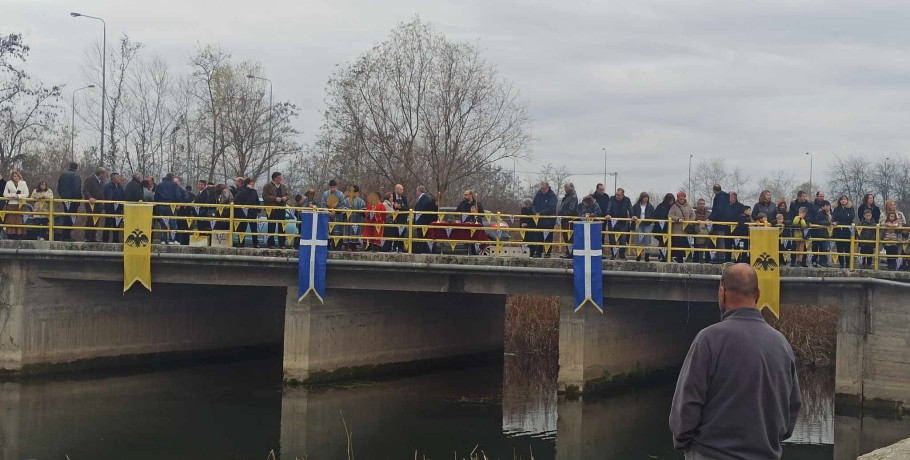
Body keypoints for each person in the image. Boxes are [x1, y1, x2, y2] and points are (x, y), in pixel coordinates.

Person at [670, 264, 801, 460]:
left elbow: (686, 408)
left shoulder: (708, 340)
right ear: (757, 294)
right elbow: (792, 408)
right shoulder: (781, 344)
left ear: (722, 293)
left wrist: (683, 442)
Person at [262, 172, 291, 249]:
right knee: (271, 227)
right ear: (275, 178)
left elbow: (287, 195)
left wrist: (285, 198)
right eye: (279, 178)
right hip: (271, 209)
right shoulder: (267, 186)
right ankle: (271, 244)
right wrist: (275, 199)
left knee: (282, 227)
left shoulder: (283, 186)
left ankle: (282, 244)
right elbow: (265, 197)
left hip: (281, 209)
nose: (281, 179)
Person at [56, 162, 82, 242]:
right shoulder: (76, 176)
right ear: (76, 168)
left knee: (67, 216)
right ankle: (67, 236)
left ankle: (65, 235)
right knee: (71, 217)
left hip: (65, 199)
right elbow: (77, 189)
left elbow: (59, 187)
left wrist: (62, 196)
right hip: (73, 200)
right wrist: (78, 200)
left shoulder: (63, 175)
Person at [154, 173, 183, 245]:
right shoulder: (174, 185)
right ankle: (172, 239)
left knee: (163, 223)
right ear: (172, 178)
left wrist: (158, 204)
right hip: (171, 205)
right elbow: (178, 195)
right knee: (173, 223)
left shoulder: (159, 185)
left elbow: (156, 196)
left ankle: (163, 240)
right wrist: (178, 204)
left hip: (161, 205)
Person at [531, 181, 558, 258]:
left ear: (548, 188)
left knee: (548, 237)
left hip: (549, 220)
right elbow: (534, 204)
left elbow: (551, 207)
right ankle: (538, 252)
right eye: (542, 189)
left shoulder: (552, 196)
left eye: (544, 189)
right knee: (538, 236)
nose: (543, 190)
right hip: (539, 219)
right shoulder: (538, 194)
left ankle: (547, 252)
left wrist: (541, 213)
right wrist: (535, 212)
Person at [382, 184, 410, 253]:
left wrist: (400, 208)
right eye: (401, 189)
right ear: (397, 189)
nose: (402, 191)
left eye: (402, 189)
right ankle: (392, 247)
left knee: (401, 234)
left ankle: (400, 248)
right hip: (393, 220)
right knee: (393, 234)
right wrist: (395, 208)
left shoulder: (404, 197)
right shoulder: (391, 197)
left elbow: (407, 208)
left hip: (402, 219)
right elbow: (390, 208)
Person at [669, 191, 695, 263]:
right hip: (676, 229)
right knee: (677, 245)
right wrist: (678, 219)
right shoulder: (674, 207)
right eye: (680, 199)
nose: (681, 200)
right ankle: (678, 259)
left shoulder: (689, 206)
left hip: (685, 229)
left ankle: (687, 258)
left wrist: (689, 221)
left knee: (685, 245)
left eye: (682, 198)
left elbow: (693, 215)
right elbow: (670, 215)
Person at [880, 199, 907, 270]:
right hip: (886, 235)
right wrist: (886, 224)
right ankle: (889, 266)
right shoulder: (883, 214)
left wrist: (898, 225)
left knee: (896, 251)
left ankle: (894, 266)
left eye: (894, 204)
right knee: (888, 251)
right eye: (891, 205)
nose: (893, 206)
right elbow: (880, 223)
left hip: (897, 235)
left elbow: (904, 223)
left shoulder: (900, 214)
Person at [82, 168, 107, 243]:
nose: (105, 176)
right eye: (105, 174)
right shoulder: (90, 179)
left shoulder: (102, 182)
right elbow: (85, 190)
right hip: (91, 203)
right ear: (101, 174)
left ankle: (93, 236)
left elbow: (102, 192)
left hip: (99, 203)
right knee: (90, 219)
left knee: (96, 219)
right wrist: (90, 197)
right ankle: (87, 237)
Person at [708, 185, 732, 264]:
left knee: (720, 240)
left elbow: (718, 210)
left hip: (719, 221)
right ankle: (719, 256)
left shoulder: (719, 198)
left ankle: (720, 257)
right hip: (724, 221)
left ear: (714, 190)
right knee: (719, 240)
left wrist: (711, 218)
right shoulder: (725, 197)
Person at [234, 178, 260, 248]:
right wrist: (247, 189)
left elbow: (257, 201)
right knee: (242, 229)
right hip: (243, 213)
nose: (253, 184)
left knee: (254, 229)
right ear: (247, 183)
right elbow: (236, 200)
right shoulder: (242, 190)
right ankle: (241, 243)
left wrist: (258, 211)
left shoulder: (254, 191)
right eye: (252, 183)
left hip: (252, 212)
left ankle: (255, 243)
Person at [2, 171, 29, 240]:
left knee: (19, 221)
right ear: (12, 177)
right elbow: (5, 194)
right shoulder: (8, 183)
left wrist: (19, 196)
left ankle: (19, 236)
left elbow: (26, 194)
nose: (16, 177)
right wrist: (12, 196)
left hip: (20, 204)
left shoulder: (23, 183)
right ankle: (11, 236)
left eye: (17, 176)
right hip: (11, 204)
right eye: (14, 176)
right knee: (11, 221)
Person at [831, 195, 856, 269]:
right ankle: (841, 264)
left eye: (845, 199)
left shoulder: (850, 208)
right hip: (838, 231)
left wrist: (839, 221)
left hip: (847, 230)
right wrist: (837, 222)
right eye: (841, 199)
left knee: (848, 248)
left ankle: (848, 264)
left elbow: (850, 217)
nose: (843, 200)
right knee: (839, 248)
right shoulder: (836, 208)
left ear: (847, 200)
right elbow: (834, 217)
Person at [322, 179, 346, 250]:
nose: (333, 189)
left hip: (338, 217)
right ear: (329, 187)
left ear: (336, 187)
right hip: (327, 217)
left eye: (334, 187)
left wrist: (335, 211)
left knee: (337, 234)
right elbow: (323, 205)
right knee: (327, 234)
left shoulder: (340, 195)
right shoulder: (325, 194)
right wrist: (329, 212)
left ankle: (337, 248)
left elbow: (343, 205)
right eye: (331, 187)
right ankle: (327, 248)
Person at [412, 185, 437, 254]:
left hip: (423, 222)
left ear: (419, 191)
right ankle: (423, 250)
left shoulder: (424, 198)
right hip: (422, 221)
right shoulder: (424, 198)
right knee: (422, 237)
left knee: (423, 237)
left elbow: (422, 209)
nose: (416, 192)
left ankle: (424, 251)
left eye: (416, 191)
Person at [101, 173, 125, 243]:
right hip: (110, 208)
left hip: (118, 208)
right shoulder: (108, 186)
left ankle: (115, 239)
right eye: (117, 177)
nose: (119, 178)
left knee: (116, 225)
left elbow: (123, 195)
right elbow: (107, 196)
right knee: (107, 224)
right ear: (113, 178)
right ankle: (105, 239)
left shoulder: (120, 187)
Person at [631, 192, 655, 262]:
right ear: (641, 198)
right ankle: (638, 255)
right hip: (639, 224)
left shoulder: (650, 206)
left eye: (647, 198)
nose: (646, 199)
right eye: (644, 198)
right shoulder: (636, 206)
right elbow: (632, 213)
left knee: (647, 239)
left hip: (647, 224)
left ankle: (647, 256)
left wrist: (650, 220)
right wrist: (634, 216)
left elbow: (653, 215)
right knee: (639, 239)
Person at [557, 183, 578, 258]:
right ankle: (568, 251)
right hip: (565, 220)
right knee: (566, 237)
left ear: (570, 189)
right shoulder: (567, 197)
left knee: (569, 237)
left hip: (568, 220)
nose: (564, 189)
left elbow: (571, 210)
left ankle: (571, 253)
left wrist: (563, 214)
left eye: (566, 188)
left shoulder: (573, 197)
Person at [653, 193, 675, 262]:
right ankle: (662, 256)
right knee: (662, 243)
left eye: (672, 200)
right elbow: (655, 215)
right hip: (661, 228)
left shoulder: (674, 207)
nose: (671, 202)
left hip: (671, 228)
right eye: (670, 200)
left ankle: (669, 256)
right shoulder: (661, 206)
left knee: (670, 243)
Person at [811, 201, 834, 268]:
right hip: (818, 233)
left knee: (824, 249)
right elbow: (818, 221)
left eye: (829, 205)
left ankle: (823, 262)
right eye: (826, 206)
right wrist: (827, 223)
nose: (828, 207)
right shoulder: (819, 214)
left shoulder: (830, 214)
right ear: (823, 207)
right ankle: (814, 261)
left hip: (826, 234)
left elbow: (833, 220)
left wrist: (835, 222)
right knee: (815, 248)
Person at [344, 185, 367, 251]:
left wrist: (361, 211)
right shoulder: (346, 200)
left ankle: (355, 246)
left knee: (356, 232)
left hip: (357, 219)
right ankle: (347, 246)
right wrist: (346, 212)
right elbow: (343, 209)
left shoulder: (361, 201)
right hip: (348, 219)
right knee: (348, 232)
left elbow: (364, 210)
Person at [692, 198, 712, 264]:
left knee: (707, 246)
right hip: (697, 231)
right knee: (697, 246)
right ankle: (696, 259)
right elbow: (692, 220)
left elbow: (711, 220)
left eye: (703, 204)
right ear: (697, 205)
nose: (702, 205)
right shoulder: (694, 213)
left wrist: (706, 222)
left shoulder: (708, 213)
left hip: (707, 231)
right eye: (700, 204)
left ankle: (708, 259)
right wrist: (698, 222)